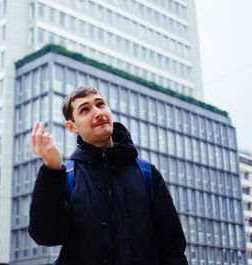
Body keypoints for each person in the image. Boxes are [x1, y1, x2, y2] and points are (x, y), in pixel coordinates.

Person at [28, 86, 188, 265]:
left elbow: (172, 248)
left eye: (100, 104)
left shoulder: (147, 173)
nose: (97, 112)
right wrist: (52, 169)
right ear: (72, 126)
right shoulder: (66, 177)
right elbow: (47, 236)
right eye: (85, 109)